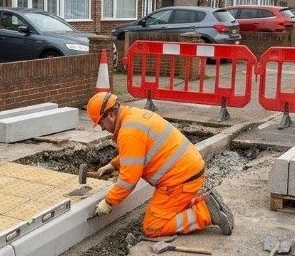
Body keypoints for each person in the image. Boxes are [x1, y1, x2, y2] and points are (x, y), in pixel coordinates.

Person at [86, 91, 233, 239]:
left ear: (110, 115)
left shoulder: (128, 132)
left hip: (178, 181)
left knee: (153, 226)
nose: (102, 128)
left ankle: (205, 212)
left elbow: (129, 179)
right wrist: (112, 165)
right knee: (166, 212)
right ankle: (206, 203)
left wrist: (109, 202)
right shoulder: (133, 116)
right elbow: (137, 152)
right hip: (188, 172)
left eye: (100, 123)